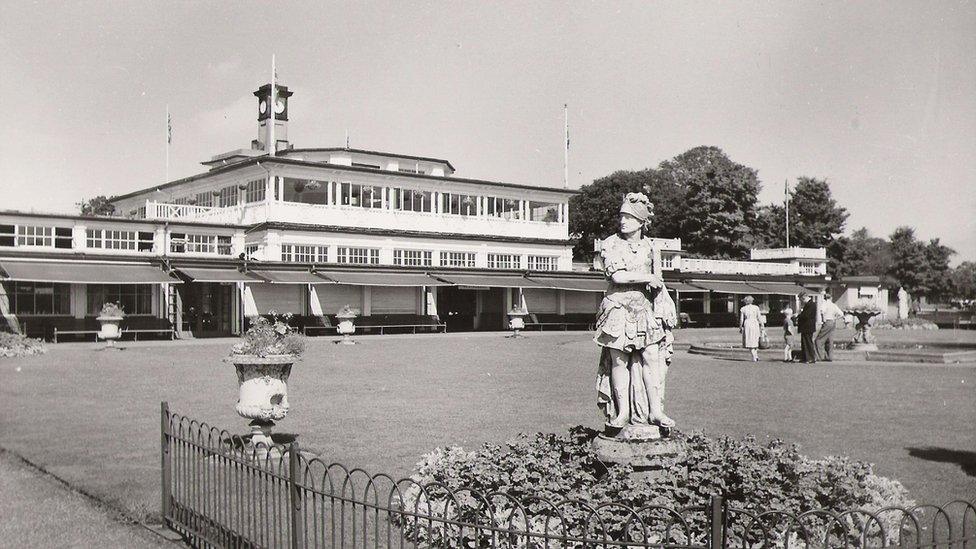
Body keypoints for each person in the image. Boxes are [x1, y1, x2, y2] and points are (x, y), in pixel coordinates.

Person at [594, 192, 675, 433]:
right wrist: (647, 278)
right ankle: (622, 413)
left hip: (644, 309)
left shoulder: (651, 246)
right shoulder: (610, 243)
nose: (623, 221)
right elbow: (617, 276)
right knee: (620, 360)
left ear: (641, 222)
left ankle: (655, 410)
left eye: (629, 217)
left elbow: (658, 280)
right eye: (621, 216)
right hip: (617, 308)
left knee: (651, 356)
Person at [815, 292, 845, 361]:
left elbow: (822, 312)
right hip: (833, 322)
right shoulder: (833, 305)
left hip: (827, 321)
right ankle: (829, 357)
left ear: (824, 298)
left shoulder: (824, 304)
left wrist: (823, 320)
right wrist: (835, 318)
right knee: (830, 340)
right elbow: (841, 314)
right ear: (831, 298)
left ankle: (820, 357)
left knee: (818, 340)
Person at [796, 292, 819, 363]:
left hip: (808, 327)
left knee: (808, 343)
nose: (802, 302)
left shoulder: (811, 304)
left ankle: (810, 358)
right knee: (804, 343)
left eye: (801, 300)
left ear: (804, 297)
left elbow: (806, 315)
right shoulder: (809, 304)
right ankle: (805, 357)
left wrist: (799, 315)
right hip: (806, 327)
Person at [739, 295, 762, 362]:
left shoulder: (743, 309)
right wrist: (762, 325)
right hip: (755, 323)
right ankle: (756, 355)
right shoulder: (756, 308)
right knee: (755, 339)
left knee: (749, 340)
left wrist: (740, 327)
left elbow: (741, 319)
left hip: (748, 323)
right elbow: (759, 317)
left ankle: (754, 356)